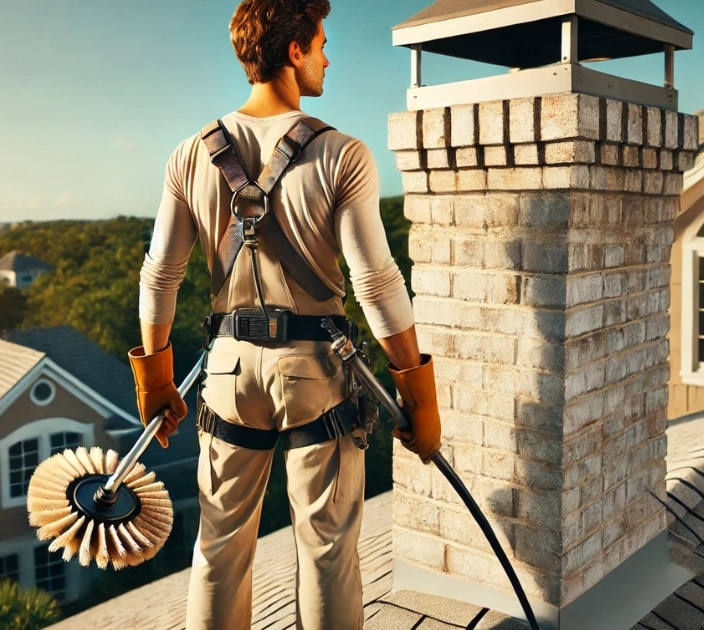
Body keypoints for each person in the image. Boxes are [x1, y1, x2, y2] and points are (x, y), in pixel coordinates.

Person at [127, 1, 441, 627]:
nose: (328, 56)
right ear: (294, 50)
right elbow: (376, 282)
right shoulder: (341, 155)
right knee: (326, 551)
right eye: (322, 42)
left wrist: (156, 380)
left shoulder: (190, 154)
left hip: (227, 374)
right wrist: (417, 394)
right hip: (315, 371)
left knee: (218, 551)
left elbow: (161, 275)